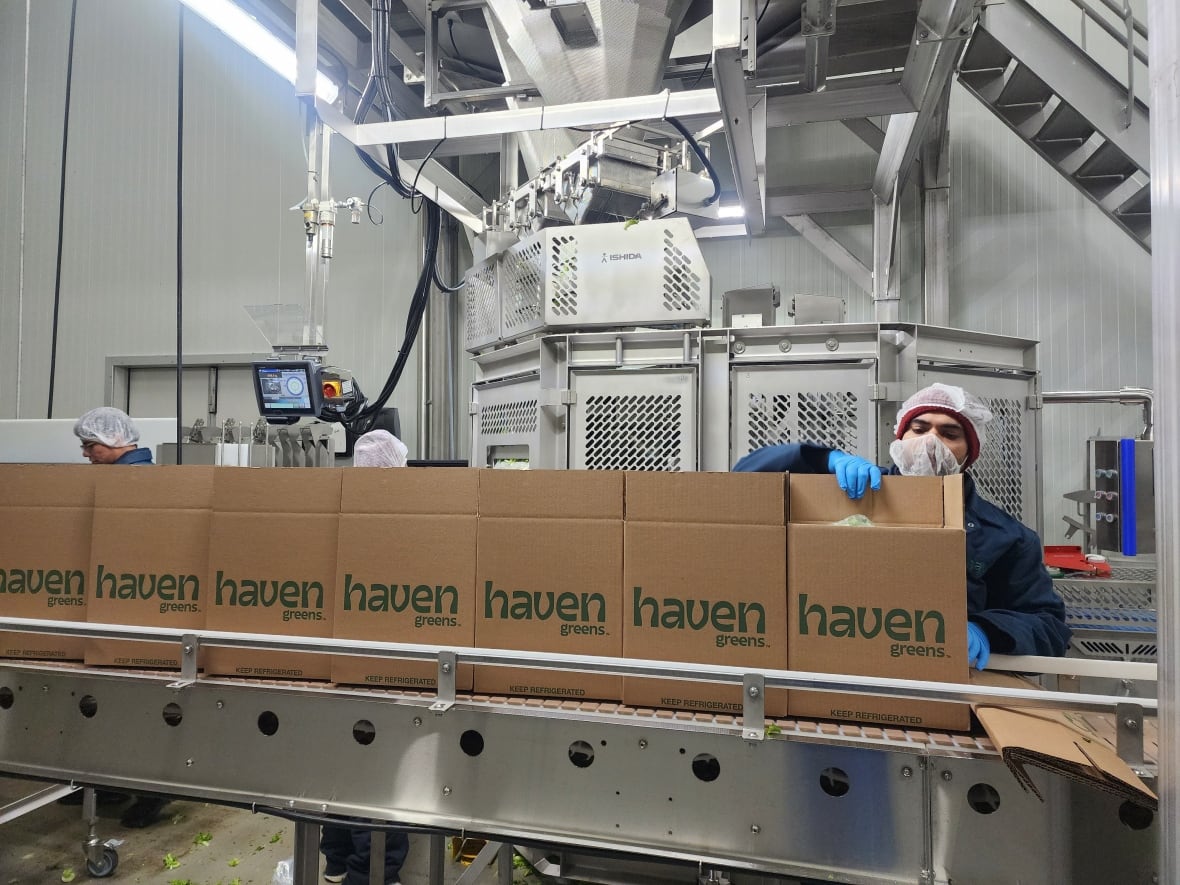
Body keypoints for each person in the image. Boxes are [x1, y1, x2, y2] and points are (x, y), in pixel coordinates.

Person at [734, 382, 1071, 669]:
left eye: (949, 433)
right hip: (832, 660)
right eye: (920, 429)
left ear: (970, 451)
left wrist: (986, 630)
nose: (930, 441)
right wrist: (823, 458)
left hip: (936, 674)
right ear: (900, 436)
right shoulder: (855, 492)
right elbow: (743, 478)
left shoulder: (1006, 537)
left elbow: (1049, 626)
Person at [68, 407, 167, 827]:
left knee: (139, 706)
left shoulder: (137, 482)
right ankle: (108, 782)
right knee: (106, 703)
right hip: (111, 609)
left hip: (137, 611)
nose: (85, 454)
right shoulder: (114, 479)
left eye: (89, 445)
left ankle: (153, 791)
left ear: (112, 441)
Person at [322, 428, 411, 885]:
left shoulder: (339, 508)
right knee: (380, 775)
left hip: (339, 662)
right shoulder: (402, 518)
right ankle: (372, 872)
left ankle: (336, 859)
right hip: (383, 667)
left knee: (342, 760)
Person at [73, 407, 154, 465]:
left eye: (90, 446)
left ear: (116, 437)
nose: (85, 454)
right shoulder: (147, 471)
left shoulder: (128, 476)